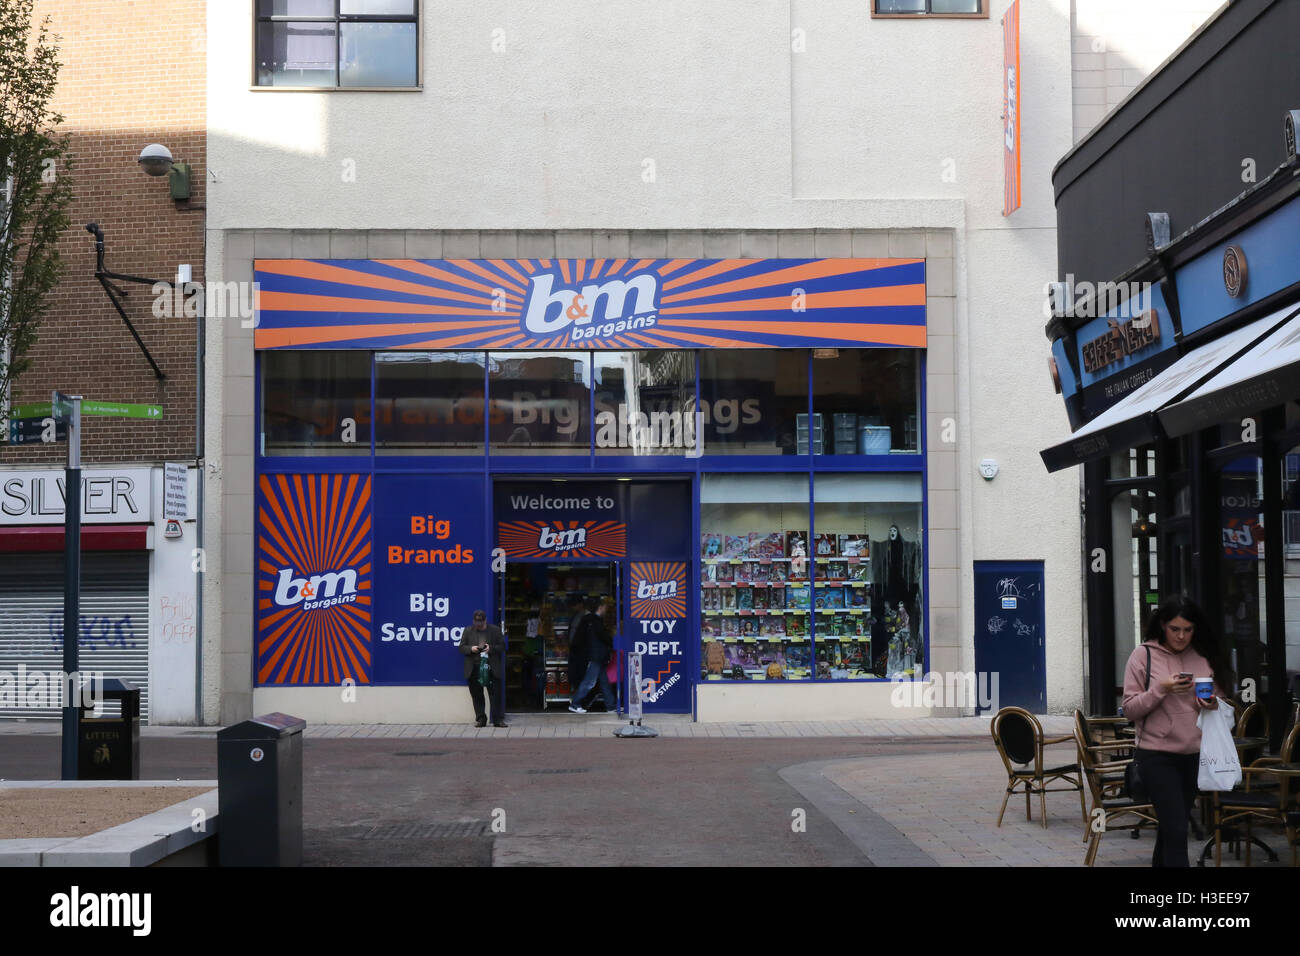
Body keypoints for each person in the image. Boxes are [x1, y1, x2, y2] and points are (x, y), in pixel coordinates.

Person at [1121, 596, 1233, 867]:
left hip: (1194, 754)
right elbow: (1130, 710)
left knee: (1174, 826)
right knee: (1176, 829)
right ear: (1162, 626)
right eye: (1175, 629)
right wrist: (1161, 689)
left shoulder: (1204, 656)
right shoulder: (1143, 655)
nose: (1181, 636)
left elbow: (1224, 705)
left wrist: (1210, 703)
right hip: (1156, 755)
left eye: (1187, 630)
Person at [569, 597, 616, 714]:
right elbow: (603, 637)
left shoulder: (591, 621)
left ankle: (611, 706)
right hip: (596, 656)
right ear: (600, 608)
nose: (606, 609)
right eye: (605, 607)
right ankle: (575, 704)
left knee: (604, 681)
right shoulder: (595, 621)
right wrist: (613, 642)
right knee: (589, 682)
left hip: (598, 656)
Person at [462, 609, 508, 728]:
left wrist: (491, 649)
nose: (479, 625)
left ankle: (497, 719)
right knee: (477, 695)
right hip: (474, 668)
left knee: (495, 694)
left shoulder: (495, 630)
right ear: (473, 621)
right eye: (477, 623)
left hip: (491, 667)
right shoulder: (468, 631)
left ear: (485, 620)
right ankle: (481, 719)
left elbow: (502, 646)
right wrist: (471, 649)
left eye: (481, 623)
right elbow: (461, 647)